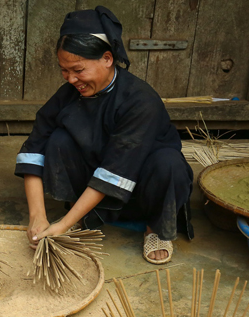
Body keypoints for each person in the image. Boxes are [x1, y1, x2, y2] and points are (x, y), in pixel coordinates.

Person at [15, 6, 193, 265]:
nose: (71, 79)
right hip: (99, 180)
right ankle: (84, 215)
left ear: (107, 59)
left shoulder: (140, 100)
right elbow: (34, 149)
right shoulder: (67, 95)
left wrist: (63, 224)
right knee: (58, 141)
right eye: (64, 70)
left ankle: (155, 228)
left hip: (141, 186)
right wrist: (37, 217)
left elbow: (116, 168)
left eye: (78, 69)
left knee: (169, 163)